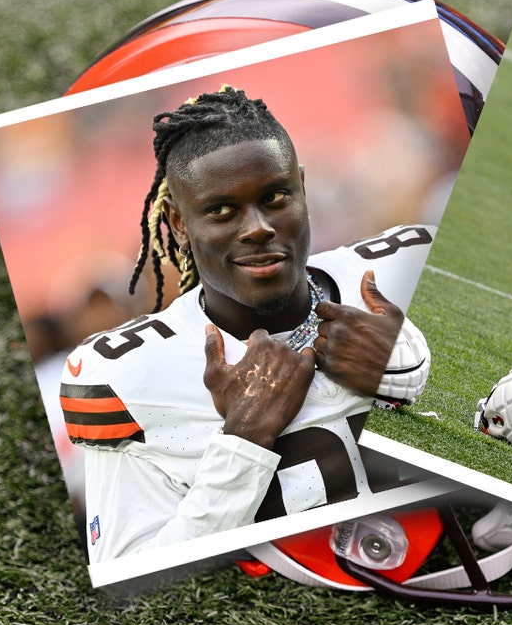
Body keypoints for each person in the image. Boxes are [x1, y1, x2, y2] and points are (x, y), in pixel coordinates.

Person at [58, 86, 432, 562]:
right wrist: (244, 440)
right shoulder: (128, 374)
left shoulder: (407, 267)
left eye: (275, 197)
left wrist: (409, 365)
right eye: (220, 210)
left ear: (302, 188)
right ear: (176, 222)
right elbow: (136, 579)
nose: (257, 227)